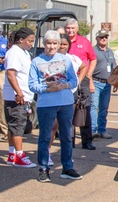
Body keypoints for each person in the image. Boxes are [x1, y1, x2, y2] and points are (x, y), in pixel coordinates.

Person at [28, 30, 80, 183]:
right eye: (49, 43)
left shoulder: (66, 60)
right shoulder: (37, 61)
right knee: (45, 136)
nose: (51, 46)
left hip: (65, 102)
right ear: (44, 44)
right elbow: (32, 84)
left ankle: (67, 167)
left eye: (54, 43)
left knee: (66, 137)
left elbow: (73, 80)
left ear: (59, 45)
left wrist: (63, 85)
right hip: (46, 104)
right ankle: (44, 168)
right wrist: (47, 88)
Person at [2, 28, 36, 168]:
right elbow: (11, 74)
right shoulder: (15, 52)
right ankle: (20, 155)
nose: (31, 44)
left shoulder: (24, 52)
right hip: (16, 97)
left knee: (13, 127)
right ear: (21, 40)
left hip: (22, 95)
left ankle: (12, 154)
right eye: (29, 41)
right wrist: (19, 92)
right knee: (18, 126)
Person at [63, 19, 97, 150]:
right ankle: (69, 140)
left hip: (82, 78)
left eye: (72, 28)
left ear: (76, 29)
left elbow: (93, 59)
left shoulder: (84, 42)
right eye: (68, 28)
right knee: (69, 109)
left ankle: (87, 141)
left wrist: (89, 74)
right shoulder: (62, 42)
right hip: (66, 79)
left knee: (85, 109)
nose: (70, 30)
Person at [90, 29, 115, 140]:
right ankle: (92, 130)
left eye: (105, 37)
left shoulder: (110, 52)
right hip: (96, 82)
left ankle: (102, 130)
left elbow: (114, 68)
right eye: (101, 37)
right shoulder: (93, 51)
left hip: (107, 84)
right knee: (94, 107)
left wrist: (116, 82)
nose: (104, 39)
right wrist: (90, 81)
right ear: (97, 38)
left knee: (104, 108)